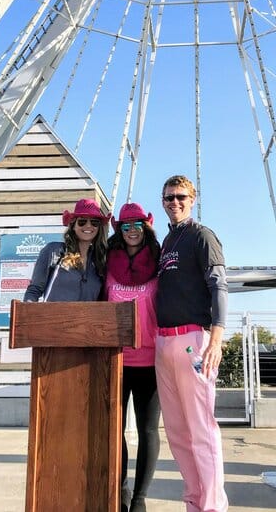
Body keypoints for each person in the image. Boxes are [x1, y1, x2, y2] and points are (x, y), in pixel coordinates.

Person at [155, 175, 229, 512]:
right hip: (164, 342)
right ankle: (194, 502)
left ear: (193, 198)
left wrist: (217, 337)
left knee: (201, 429)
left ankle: (213, 506)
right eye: (169, 198)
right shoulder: (167, 243)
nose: (175, 202)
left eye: (180, 196)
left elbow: (218, 286)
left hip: (192, 341)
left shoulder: (202, 236)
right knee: (177, 433)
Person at [104, 202, 161, 512]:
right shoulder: (107, 261)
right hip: (115, 360)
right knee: (115, 430)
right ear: (118, 230)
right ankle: (120, 495)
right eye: (125, 226)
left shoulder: (160, 258)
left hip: (151, 360)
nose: (132, 231)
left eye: (137, 225)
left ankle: (139, 501)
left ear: (146, 226)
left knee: (147, 430)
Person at [23, 198, 109, 302]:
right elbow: (34, 290)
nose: (88, 225)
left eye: (94, 222)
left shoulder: (100, 260)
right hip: (54, 317)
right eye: (82, 221)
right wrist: (27, 312)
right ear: (73, 226)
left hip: (88, 318)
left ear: (99, 228)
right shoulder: (54, 251)